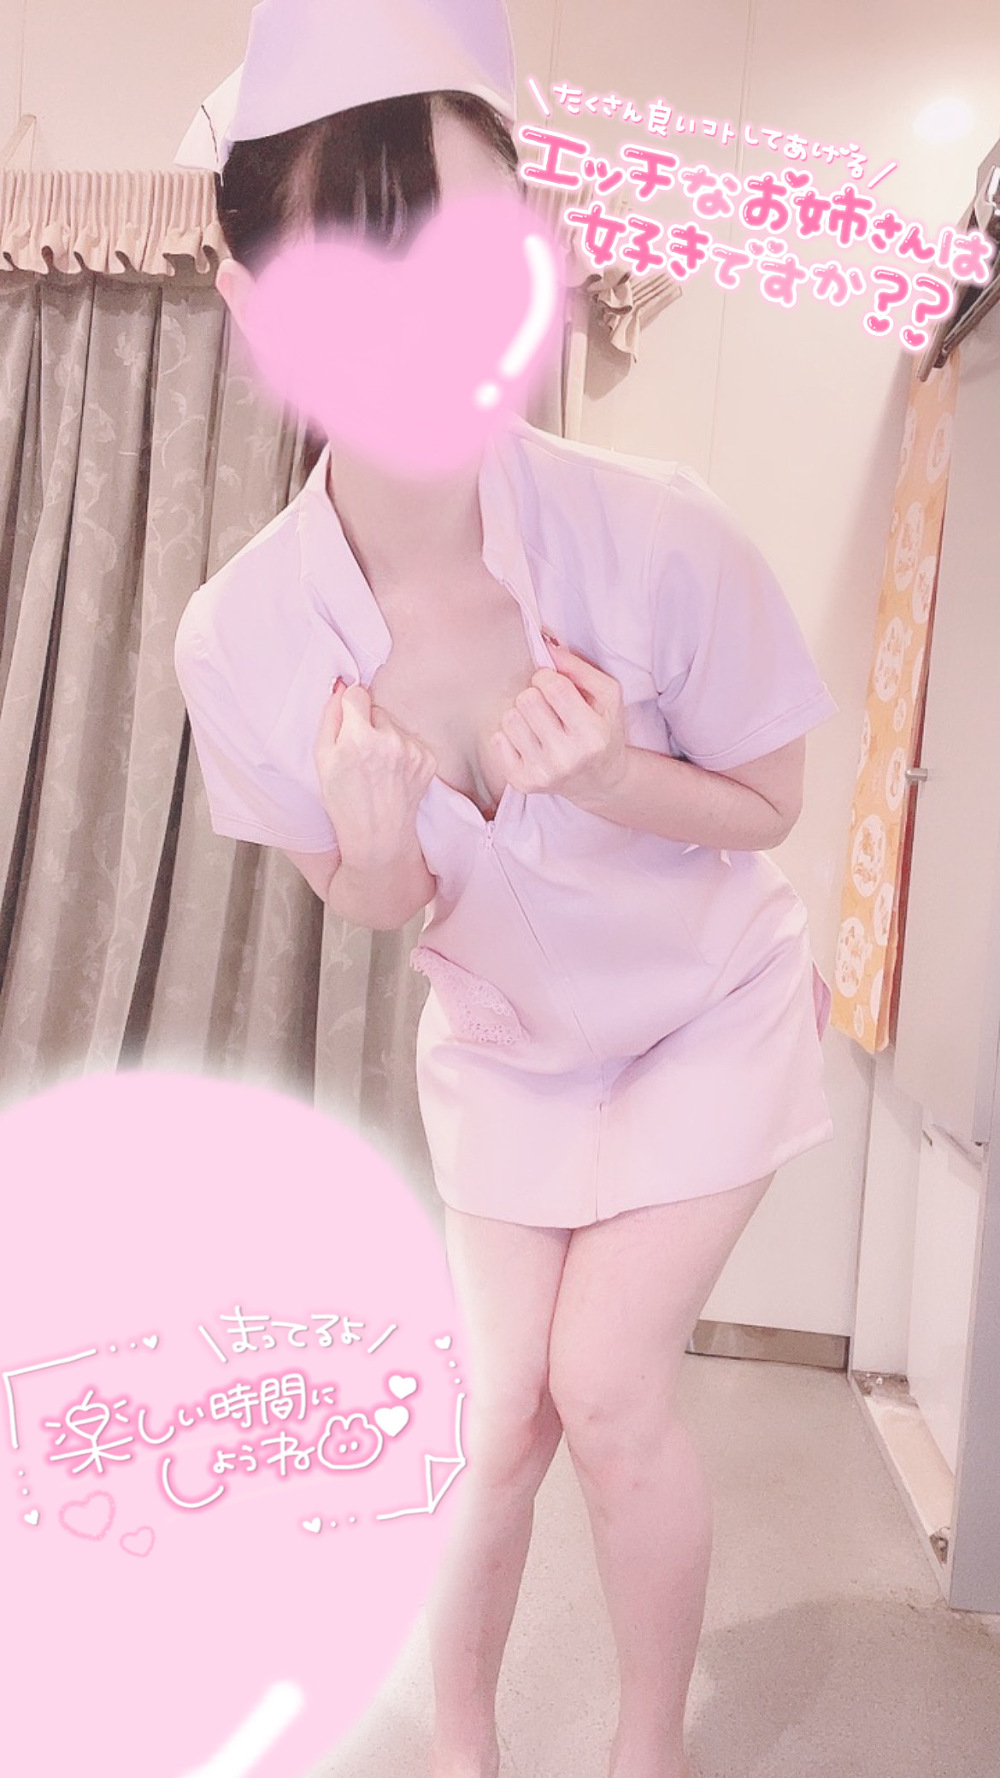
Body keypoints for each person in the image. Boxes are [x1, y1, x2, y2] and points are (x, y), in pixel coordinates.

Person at [174, 8, 839, 1777]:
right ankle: (462, 1747)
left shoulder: (660, 532)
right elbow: (377, 904)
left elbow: (773, 804)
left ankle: (643, 1751)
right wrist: (376, 833)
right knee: (494, 1423)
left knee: (606, 1389)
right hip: (511, 1046)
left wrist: (614, 775)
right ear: (253, 305)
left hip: (703, 1012)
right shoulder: (241, 638)